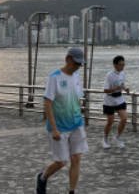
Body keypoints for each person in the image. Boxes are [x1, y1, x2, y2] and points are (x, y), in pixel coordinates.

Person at [36, 47, 88, 194]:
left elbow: (77, 98)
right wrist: (54, 128)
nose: (78, 66)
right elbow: (47, 103)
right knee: (61, 162)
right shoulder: (55, 77)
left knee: (76, 158)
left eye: (80, 64)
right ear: (68, 59)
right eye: (76, 63)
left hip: (77, 124)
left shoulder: (77, 76)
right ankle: (42, 177)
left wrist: (80, 113)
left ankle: (72, 191)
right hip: (59, 127)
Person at [102, 55, 129, 149]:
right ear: (115, 65)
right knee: (110, 121)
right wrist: (115, 89)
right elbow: (105, 90)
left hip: (119, 98)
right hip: (109, 99)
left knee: (124, 118)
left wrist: (125, 89)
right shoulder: (109, 75)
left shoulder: (123, 73)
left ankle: (117, 137)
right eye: (121, 65)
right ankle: (105, 139)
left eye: (123, 64)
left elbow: (122, 84)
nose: (123, 66)